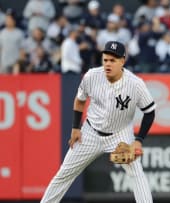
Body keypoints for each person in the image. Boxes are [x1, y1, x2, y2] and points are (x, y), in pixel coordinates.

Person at [41, 41, 155, 203]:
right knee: (64, 174)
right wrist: (75, 128)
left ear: (122, 61)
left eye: (113, 60)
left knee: (137, 173)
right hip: (90, 132)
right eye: (106, 59)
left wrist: (138, 140)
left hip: (120, 134)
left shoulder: (135, 84)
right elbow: (80, 100)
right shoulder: (92, 76)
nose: (108, 63)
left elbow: (150, 112)